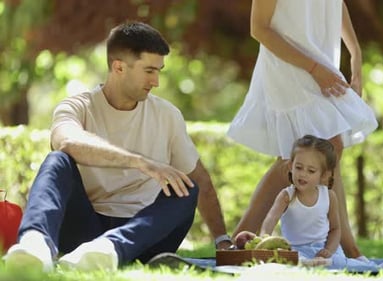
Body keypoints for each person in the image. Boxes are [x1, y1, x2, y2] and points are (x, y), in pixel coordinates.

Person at [3, 21, 231, 272]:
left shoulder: (167, 115)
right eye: (149, 71)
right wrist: (139, 161)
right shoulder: (76, 107)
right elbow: (66, 141)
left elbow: (200, 178)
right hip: (84, 231)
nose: (156, 81)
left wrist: (222, 241)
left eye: (159, 71)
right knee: (57, 160)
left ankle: (108, 249)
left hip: (143, 235)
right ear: (119, 67)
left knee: (188, 189)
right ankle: (35, 246)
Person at [227, 0, 378, 262]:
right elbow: (259, 28)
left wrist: (355, 52)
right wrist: (314, 69)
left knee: (315, 155)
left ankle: (242, 243)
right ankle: (243, 240)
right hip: (288, 64)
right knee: (321, 149)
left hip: (320, 60)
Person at [260, 135, 383, 268]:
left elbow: (335, 229)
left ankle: (375, 267)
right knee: (286, 260)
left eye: (311, 171)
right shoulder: (286, 196)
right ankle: (310, 264)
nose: (303, 174)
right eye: (299, 167)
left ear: (324, 175)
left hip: (323, 249)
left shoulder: (329, 196)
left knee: (340, 262)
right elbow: (271, 219)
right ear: (290, 166)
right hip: (295, 250)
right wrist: (264, 239)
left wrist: (328, 250)